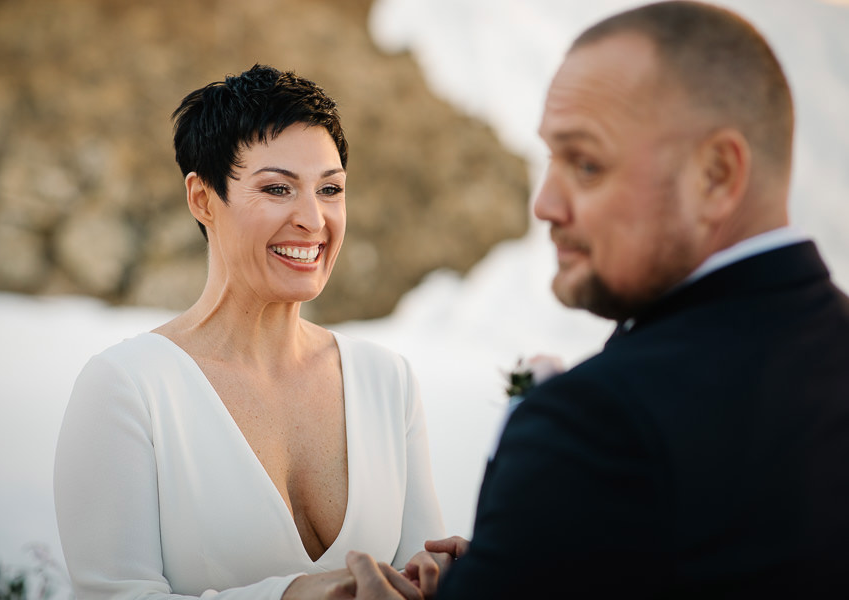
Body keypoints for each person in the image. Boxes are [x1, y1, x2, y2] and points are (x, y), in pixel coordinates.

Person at [347, 1, 849, 598]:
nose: (546, 205)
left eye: (585, 164)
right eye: (550, 159)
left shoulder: (596, 426)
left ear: (715, 175)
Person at [53, 64, 444, 600]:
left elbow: (417, 575)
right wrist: (292, 595)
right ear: (202, 199)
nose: (313, 219)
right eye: (278, 188)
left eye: (330, 189)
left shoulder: (387, 382)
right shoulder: (127, 388)